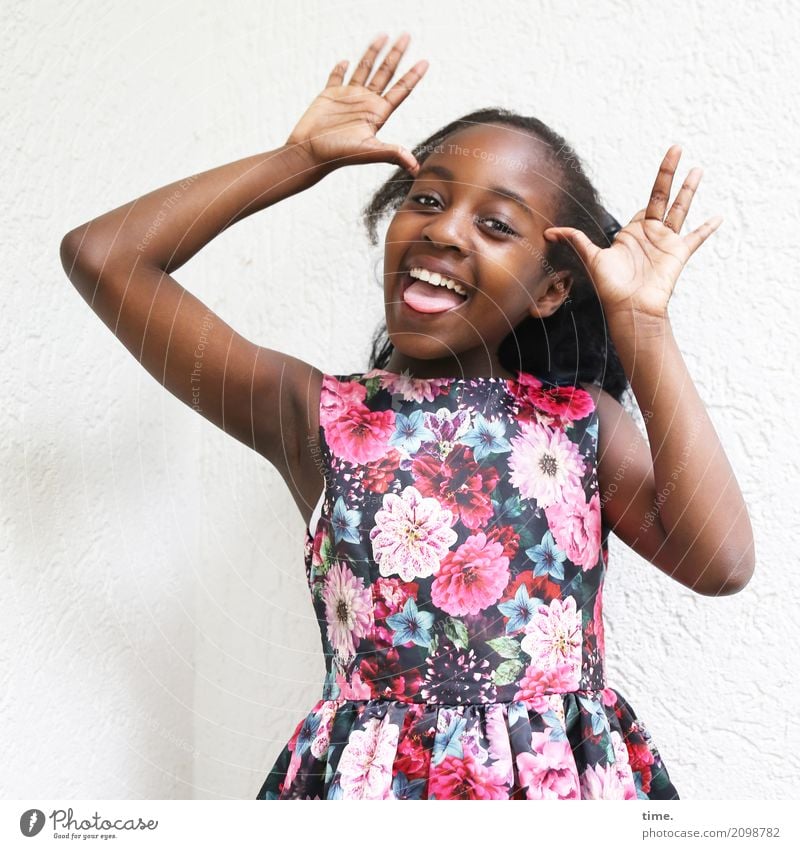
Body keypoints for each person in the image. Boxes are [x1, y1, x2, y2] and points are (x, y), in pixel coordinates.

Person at [59, 32, 755, 800]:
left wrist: (643, 321)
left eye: (497, 225)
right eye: (427, 198)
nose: (446, 230)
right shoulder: (314, 415)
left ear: (550, 289)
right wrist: (297, 161)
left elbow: (720, 562)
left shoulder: (581, 426)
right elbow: (103, 256)